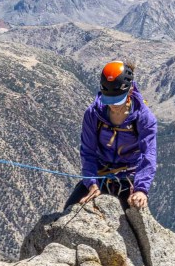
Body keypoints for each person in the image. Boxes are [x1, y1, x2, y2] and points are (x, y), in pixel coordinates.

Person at [64, 60, 157, 211]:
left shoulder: (144, 118)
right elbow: (88, 152)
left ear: (130, 90)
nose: (113, 105)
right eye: (109, 99)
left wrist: (141, 189)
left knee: (137, 219)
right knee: (69, 209)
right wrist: (91, 183)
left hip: (129, 177)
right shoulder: (93, 114)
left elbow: (149, 154)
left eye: (117, 100)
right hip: (100, 174)